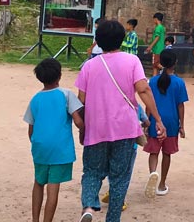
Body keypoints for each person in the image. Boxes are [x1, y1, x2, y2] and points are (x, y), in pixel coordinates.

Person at [76, 20, 167, 222]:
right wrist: (157, 119)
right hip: (125, 129)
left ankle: (89, 206)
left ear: (98, 41)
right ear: (122, 39)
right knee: (119, 178)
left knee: (91, 171)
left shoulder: (89, 66)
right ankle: (113, 218)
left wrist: (83, 125)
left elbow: (81, 100)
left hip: (96, 129)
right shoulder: (132, 61)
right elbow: (143, 89)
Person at [24, 58, 84, 222]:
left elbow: (31, 128)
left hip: (40, 147)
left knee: (38, 182)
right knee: (53, 187)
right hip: (60, 148)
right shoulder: (66, 95)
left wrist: (36, 143)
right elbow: (78, 121)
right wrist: (83, 133)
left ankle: (35, 219)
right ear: (60, 75)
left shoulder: (35, 99)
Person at [144, 49, 188, 198]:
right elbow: (181, 105)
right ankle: (162, 184)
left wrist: (147, 122)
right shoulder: (179, 83)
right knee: (167, 153)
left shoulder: (153, 81)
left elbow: (148, 103)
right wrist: (181, 125)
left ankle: (152, 174)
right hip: (171, 121)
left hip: (156, 120)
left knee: (154, 151)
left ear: (160, 62)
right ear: (175, 63)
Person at [101, 104, 149, 212]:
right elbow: (146, 121)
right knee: (126, 173)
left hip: (111, 141)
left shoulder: (110, 104)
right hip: (130, 144)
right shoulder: (135, 104)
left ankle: (112, 188)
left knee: (113, 167)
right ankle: (120, 200)